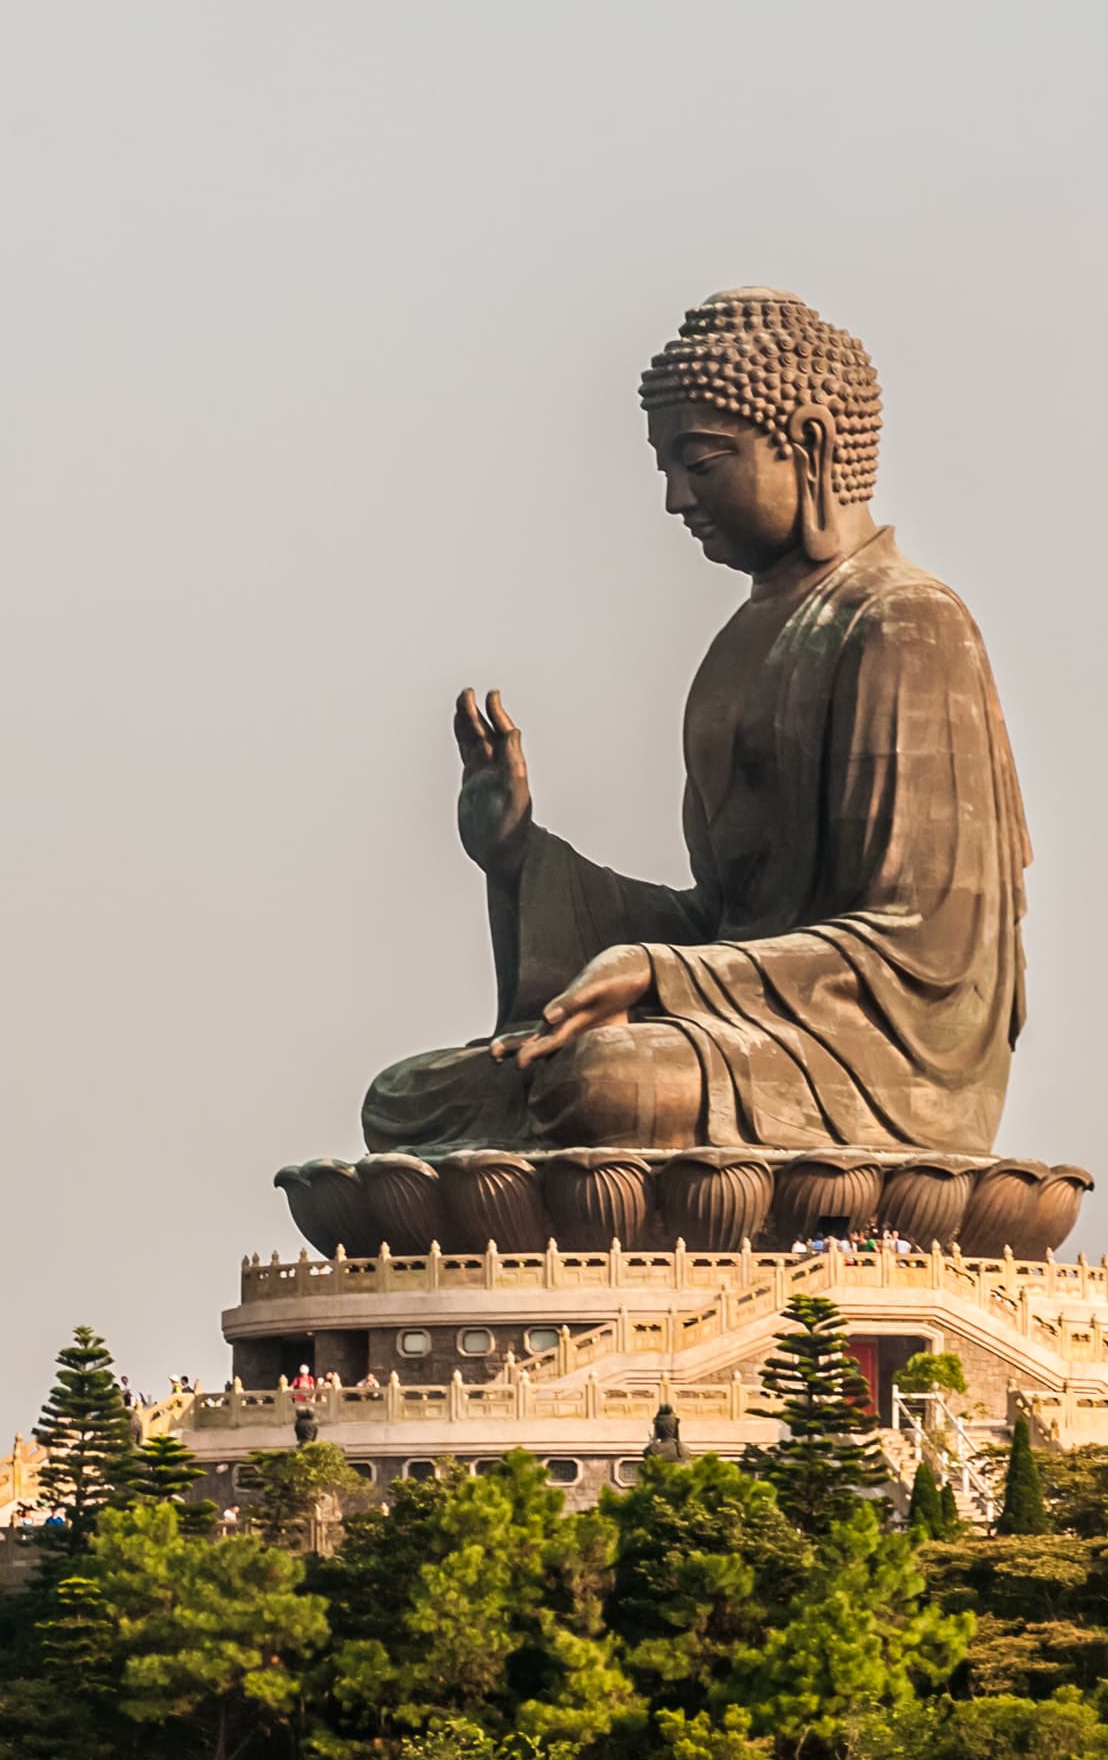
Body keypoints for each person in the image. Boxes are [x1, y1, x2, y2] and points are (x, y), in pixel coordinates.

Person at [363, 289, 1028, 1157]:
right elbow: (723, 922)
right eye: (665, 469)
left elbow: (920, 952)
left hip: (876, 1062)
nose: (678, 497)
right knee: (406, 1100)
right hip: (749, 1027)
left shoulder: (905, 622)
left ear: (813, 445)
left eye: (703, 461)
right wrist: (522, 857)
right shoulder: (744, 643)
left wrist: (660, 975)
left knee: (599, 1084)